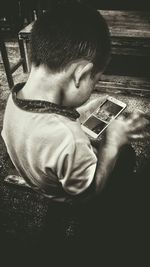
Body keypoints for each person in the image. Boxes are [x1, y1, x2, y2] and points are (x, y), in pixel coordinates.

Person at [1, 2, 149, 244]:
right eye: (95, 81)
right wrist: (111, 145)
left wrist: (83, 110)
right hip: (74, 193)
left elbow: (47, 120)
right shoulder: (68, 137)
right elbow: (86, 192)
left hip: (39, 175)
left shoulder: (15, 99)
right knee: (125, 156)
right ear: (80, 75)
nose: (94, 89)